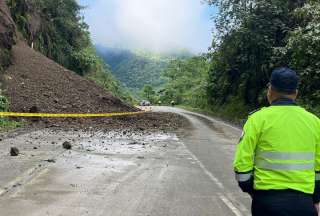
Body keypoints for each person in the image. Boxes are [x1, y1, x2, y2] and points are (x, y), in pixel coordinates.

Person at [233, 67, 320, 216]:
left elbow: (242, 163)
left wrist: (251, 190)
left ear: (270, 90)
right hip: (304, 203)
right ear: (296, 93)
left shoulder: (257, 119)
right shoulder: (314, 122)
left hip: (267, 202)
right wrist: (316, 198)